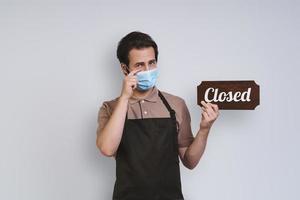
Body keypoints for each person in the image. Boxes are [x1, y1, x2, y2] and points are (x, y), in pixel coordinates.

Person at [96, 31, 219, 200]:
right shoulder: (110, 108)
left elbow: (190, 161)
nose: (148, 70)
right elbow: (107, 148)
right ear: (125, 69)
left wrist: (205, 129)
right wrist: (125, 97)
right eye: (139, 65)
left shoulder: (176, 105)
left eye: (152, 62)